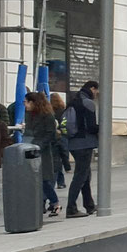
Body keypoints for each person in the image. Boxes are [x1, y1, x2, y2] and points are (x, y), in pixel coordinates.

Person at [25, 92, 62, 217]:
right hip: (30, 148)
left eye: (26, 102)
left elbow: (50, 134)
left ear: (33, 102)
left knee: (44, 180)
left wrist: (38, 145)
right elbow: (29, 131)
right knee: (33, 179)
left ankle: (55, 203)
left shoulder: (47, 116)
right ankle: (38, 204)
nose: (25, 105)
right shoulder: (29, 115)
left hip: (42, 151)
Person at [66, 80, 99, 216]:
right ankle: (71, 208)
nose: (97, 93)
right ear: (92, 88)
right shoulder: (88, 103)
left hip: (73, 143)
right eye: (97, 90)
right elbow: (91, 127)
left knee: (85, 174)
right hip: (84, 143)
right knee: (80, 176)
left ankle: (89, 205)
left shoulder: (73, 100)